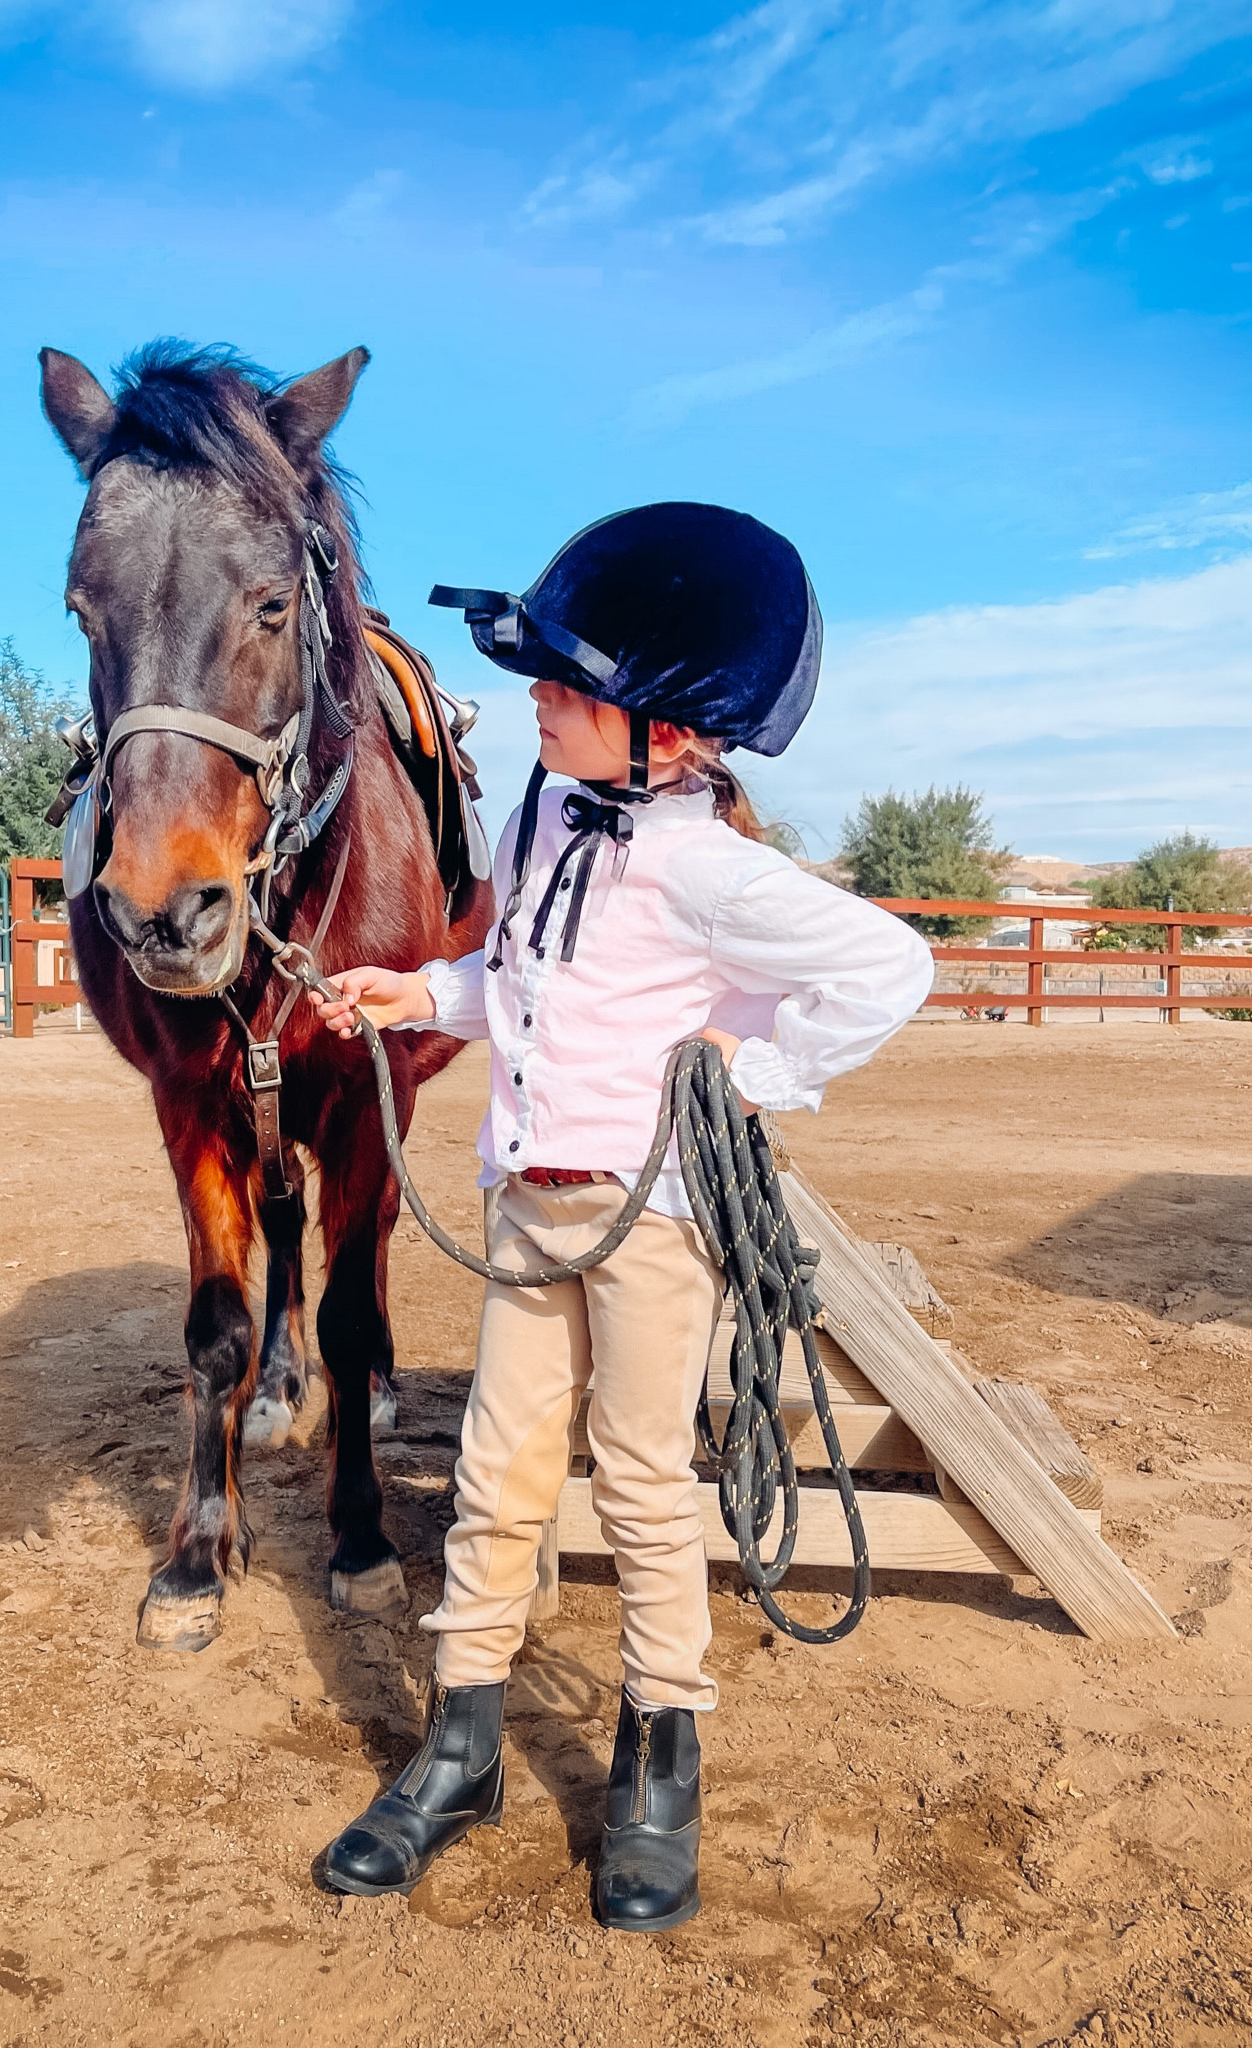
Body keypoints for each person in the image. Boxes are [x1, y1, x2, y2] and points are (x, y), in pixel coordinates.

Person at [311, 503, 934, 1931]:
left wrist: (755, 1073)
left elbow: (887, 968)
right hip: (528, 1201)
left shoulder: (707, 864)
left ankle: (663, 1760)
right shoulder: (534, 811)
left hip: (649, 1220)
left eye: (565, 683)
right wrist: (425, 995)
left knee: (646, 1485)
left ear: (664, 725)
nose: (538, 693)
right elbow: (524, 980)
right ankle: (460, 1748)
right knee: (495, 1473)